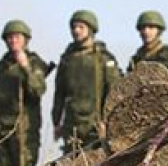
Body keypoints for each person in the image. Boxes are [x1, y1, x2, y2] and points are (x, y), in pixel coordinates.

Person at [52, 10, 121, 154]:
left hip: (95, 125)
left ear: (91, 29)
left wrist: (108, 122)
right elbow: (60, 92)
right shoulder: (67, 59)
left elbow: (113, 92)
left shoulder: (103, 59)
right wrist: (56, 122)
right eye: (74, 27)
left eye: (81, 27)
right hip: (72, 124)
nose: (76, 31)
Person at [0, 20, 48, 166]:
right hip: (1, 131)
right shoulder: (2, 66)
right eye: (9, 37)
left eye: (16, 37)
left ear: (25, 39)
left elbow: (37, 90)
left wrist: (25, 67)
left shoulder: (34, 62)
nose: (12, 40)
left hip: (24, 130)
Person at [128, 11, 168, 97]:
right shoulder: (135, 59)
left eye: (151, 28)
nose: (146, 31)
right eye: (143, 28)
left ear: (159, 31)